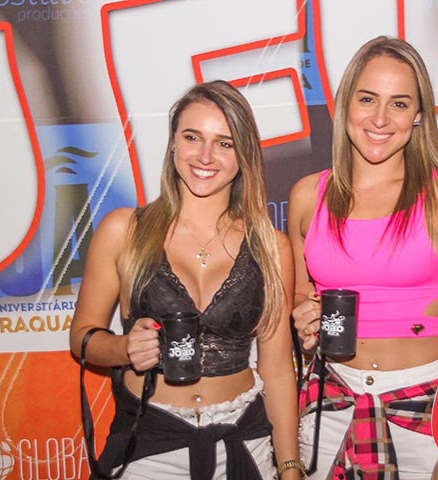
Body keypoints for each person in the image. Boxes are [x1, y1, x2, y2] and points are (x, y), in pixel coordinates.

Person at [70, 80, 304, 480]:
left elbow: (278, 370)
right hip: (149, 443)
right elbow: (82, 337)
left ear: (244, 154)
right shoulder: (125, 230)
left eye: (225, 143)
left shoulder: (270, 245)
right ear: (173, 144)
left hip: (244, 439)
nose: (205, 156)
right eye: (192, 137)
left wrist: (291, 467)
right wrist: (125, 348)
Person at [288, 36, 438, 480]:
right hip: (330, 403)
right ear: (345, 104)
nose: (380, 119)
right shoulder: (307, 196)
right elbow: (303, 300)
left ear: (418, 114)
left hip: (426, 412)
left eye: (399, 104)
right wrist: (304, 322)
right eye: (367, 99)